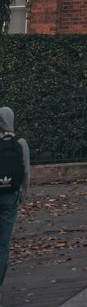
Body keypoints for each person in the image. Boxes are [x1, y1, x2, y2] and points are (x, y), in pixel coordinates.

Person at [0, 107, 29, 297]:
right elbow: (26, 172)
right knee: (3, 243)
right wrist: (22, 196)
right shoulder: (20, 142)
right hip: (11, 197)